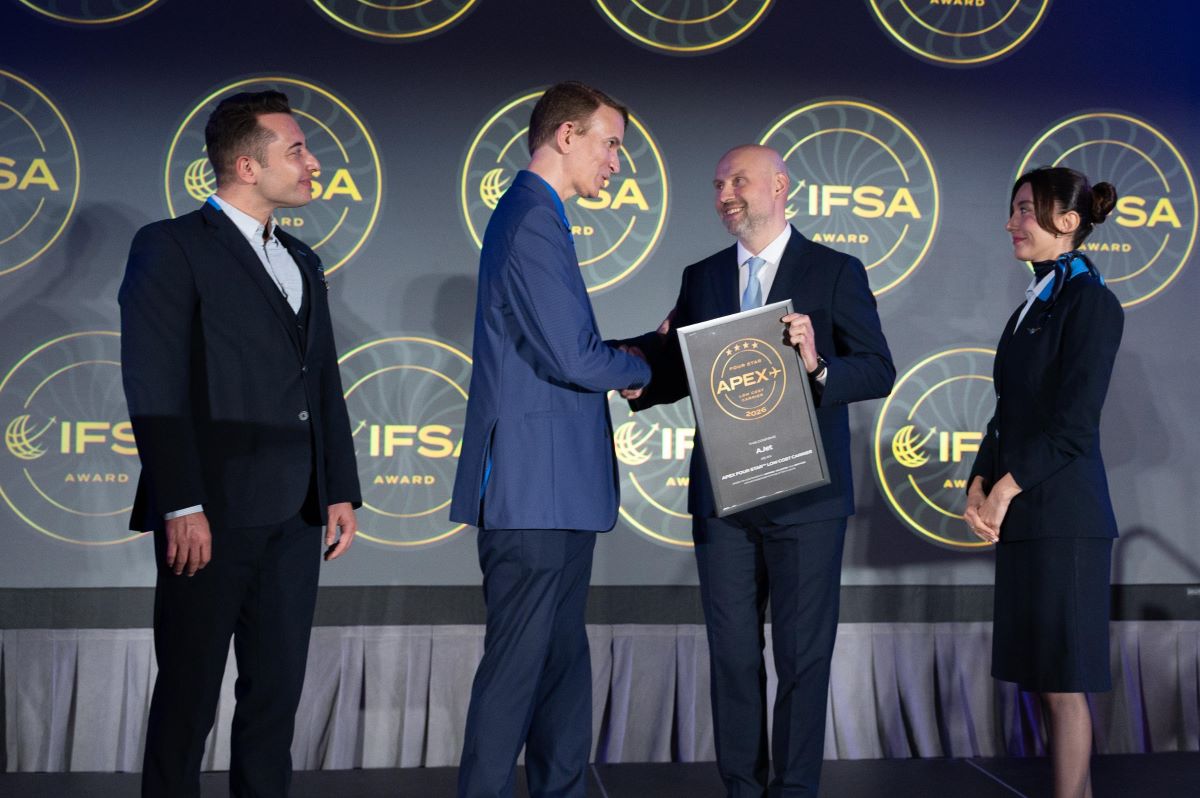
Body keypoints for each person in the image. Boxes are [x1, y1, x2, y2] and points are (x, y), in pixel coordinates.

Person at [624, 144, 894, 797]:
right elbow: (680, 369)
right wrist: (637, 377)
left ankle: (795, 789)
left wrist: (817, 364)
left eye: (738, 181)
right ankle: (742, 787)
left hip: (808, 499)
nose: (725, 195)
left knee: (804, 656)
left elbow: (877, 369)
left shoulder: (835, 270)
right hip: (725, 500)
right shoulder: (702, 276)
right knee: (732, 655)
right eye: (719, 185)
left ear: (780, 186)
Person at [119, 90, 362, 798]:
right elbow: (154, 384)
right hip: (211, 513)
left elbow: (322, 380)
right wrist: (180, 503)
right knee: (189, 697)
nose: (314, 163)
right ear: (247, 167)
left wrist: (338, 489)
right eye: (298, 150)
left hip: (298, 514)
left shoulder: (303, 257)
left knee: (274, 700)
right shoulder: (171, 246)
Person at [448, 81, 651, 798]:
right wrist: (646, 365)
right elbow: (574, 357)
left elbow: (566, 349)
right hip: (532, 490)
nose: (616, 162)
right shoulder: (532, 217)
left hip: (556, 493)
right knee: (517, 671)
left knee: (562, 664)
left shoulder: (539, 216)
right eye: (610, 143)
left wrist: (635, 353)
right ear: (567, 136)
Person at [965, 167, 1122, 798]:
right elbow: (1007, 412)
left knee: (1063, 685)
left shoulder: (1092, 303)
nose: (1012, 223)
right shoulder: (1033, 301)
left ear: (1068, 220)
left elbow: (1074, 427)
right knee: (1042, 682)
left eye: (1025, 210)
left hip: (1066, 519)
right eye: (1013, 210)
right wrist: (979, 482)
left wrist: (1005, 489)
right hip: (1028, 516)